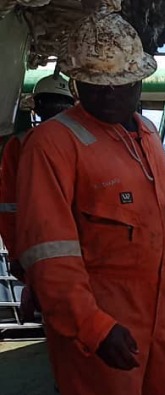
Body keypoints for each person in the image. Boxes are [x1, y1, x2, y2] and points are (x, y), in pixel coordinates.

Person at [14, 12, 165, 395]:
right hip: (105, 321)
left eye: (123, 83)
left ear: (140, 81)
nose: (114, 95)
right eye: (101, 87)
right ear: (78, 84)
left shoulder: (146, 135)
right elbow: (49, 253)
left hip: (159, 313)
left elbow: (149, 203)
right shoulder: (53, 146)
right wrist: (94, 328)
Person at [0, 74, 75, 320]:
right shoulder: (84, 141)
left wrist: (15, 254)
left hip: (39, 244)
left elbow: (9, 206)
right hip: (70, 244)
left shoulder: (20, 144)